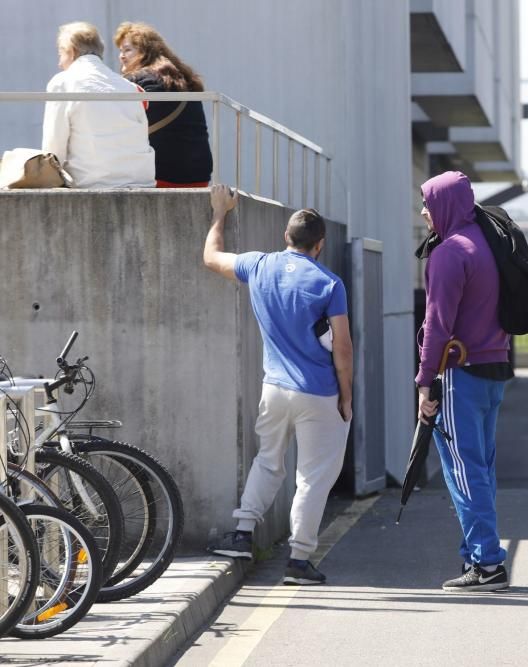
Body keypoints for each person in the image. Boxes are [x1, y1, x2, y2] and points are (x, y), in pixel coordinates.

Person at [204, 184, 353, 586]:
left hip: (274, 388)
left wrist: (220, 213)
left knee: (268, 461)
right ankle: (299, 560)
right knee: (313, 477)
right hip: (318, 393)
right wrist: (347, 397)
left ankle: (242, 534)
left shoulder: (259, 265)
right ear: (319, 245)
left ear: (286, 237)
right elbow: (342, 346)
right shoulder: (329, 284)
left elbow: (211, 257)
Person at [416, 170, 513, 592]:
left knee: (462, 469)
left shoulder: (449, 253)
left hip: (462, 372)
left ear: (446, 203)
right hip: (495, 369)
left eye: (427, 201)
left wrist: (424, 381)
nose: (422, 211)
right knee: (481, 467)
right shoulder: (487, 243)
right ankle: (478, 556)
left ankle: (488, 563)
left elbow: (437, 324)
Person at [42, 22, 155, 188]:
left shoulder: (63, 82)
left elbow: (53, 148)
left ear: (71, 51)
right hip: (142, 182)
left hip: (92, 184)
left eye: (60, 54)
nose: (59, 63)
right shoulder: (130, 87)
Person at [114, 22, 212, 188]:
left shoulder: (142, 80)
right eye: (121, 51)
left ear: (146, 51)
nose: (121, 56)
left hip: (162, 175)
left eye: (128, 49)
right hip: (198, 174)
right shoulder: (184, 79)